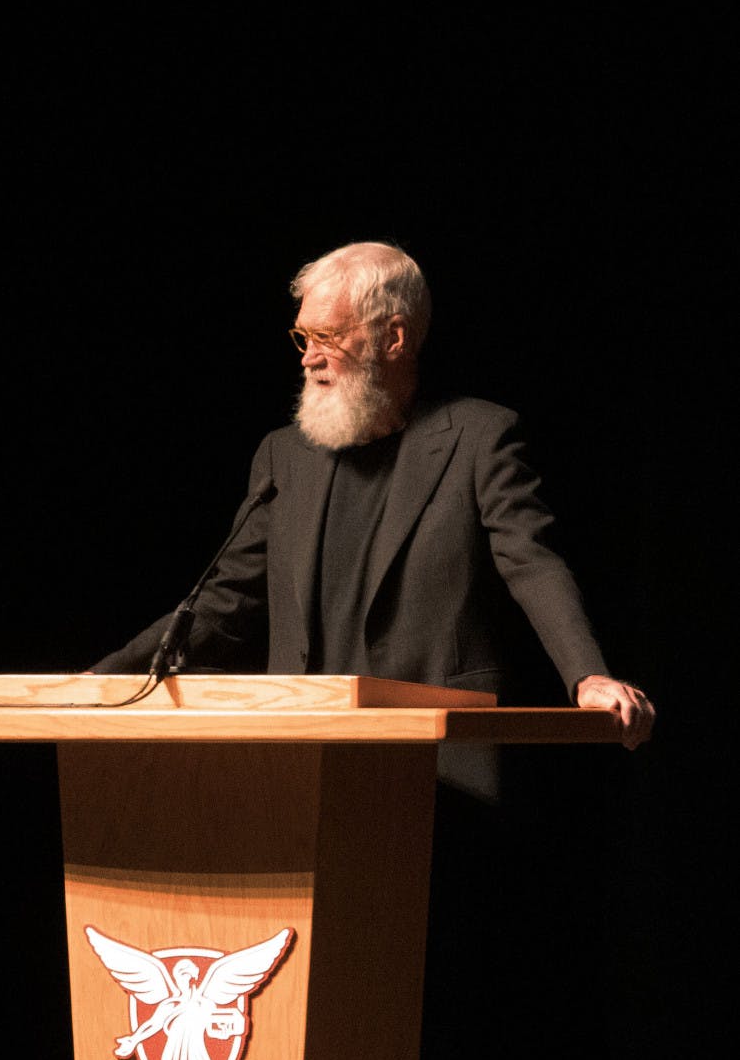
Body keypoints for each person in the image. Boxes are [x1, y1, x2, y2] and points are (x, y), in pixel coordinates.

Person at [93, 240, 655, 751]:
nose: (308, 357)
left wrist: (588, 675)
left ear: (394, 337)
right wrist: (103, 681)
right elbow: (224, 601)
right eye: (302, 337)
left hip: (433, 758)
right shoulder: (281, 456)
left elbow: (531, 562)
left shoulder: (479, 437)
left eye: (328, 338)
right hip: (296, 749)